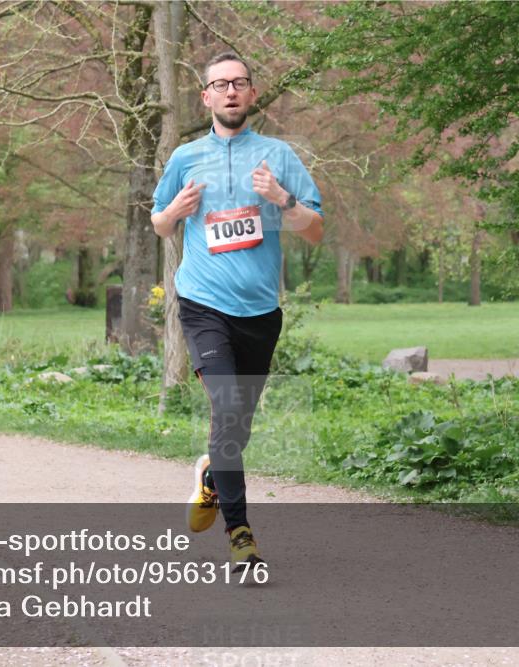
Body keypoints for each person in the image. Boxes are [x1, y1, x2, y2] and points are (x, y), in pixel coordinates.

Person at [150, 52, 324, 570]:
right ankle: (240, 534)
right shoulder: (185, 157)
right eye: (220, 84)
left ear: (252, 94)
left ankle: (211, 476)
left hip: (260, 313)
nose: (230, 91)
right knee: (226, 411)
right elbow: (159, 222)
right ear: (206, 96)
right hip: (203, 305)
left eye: (239, 83)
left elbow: (315, 230)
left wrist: (283, 199)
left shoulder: (278, 156)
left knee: (236, 428)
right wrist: (174, 212)